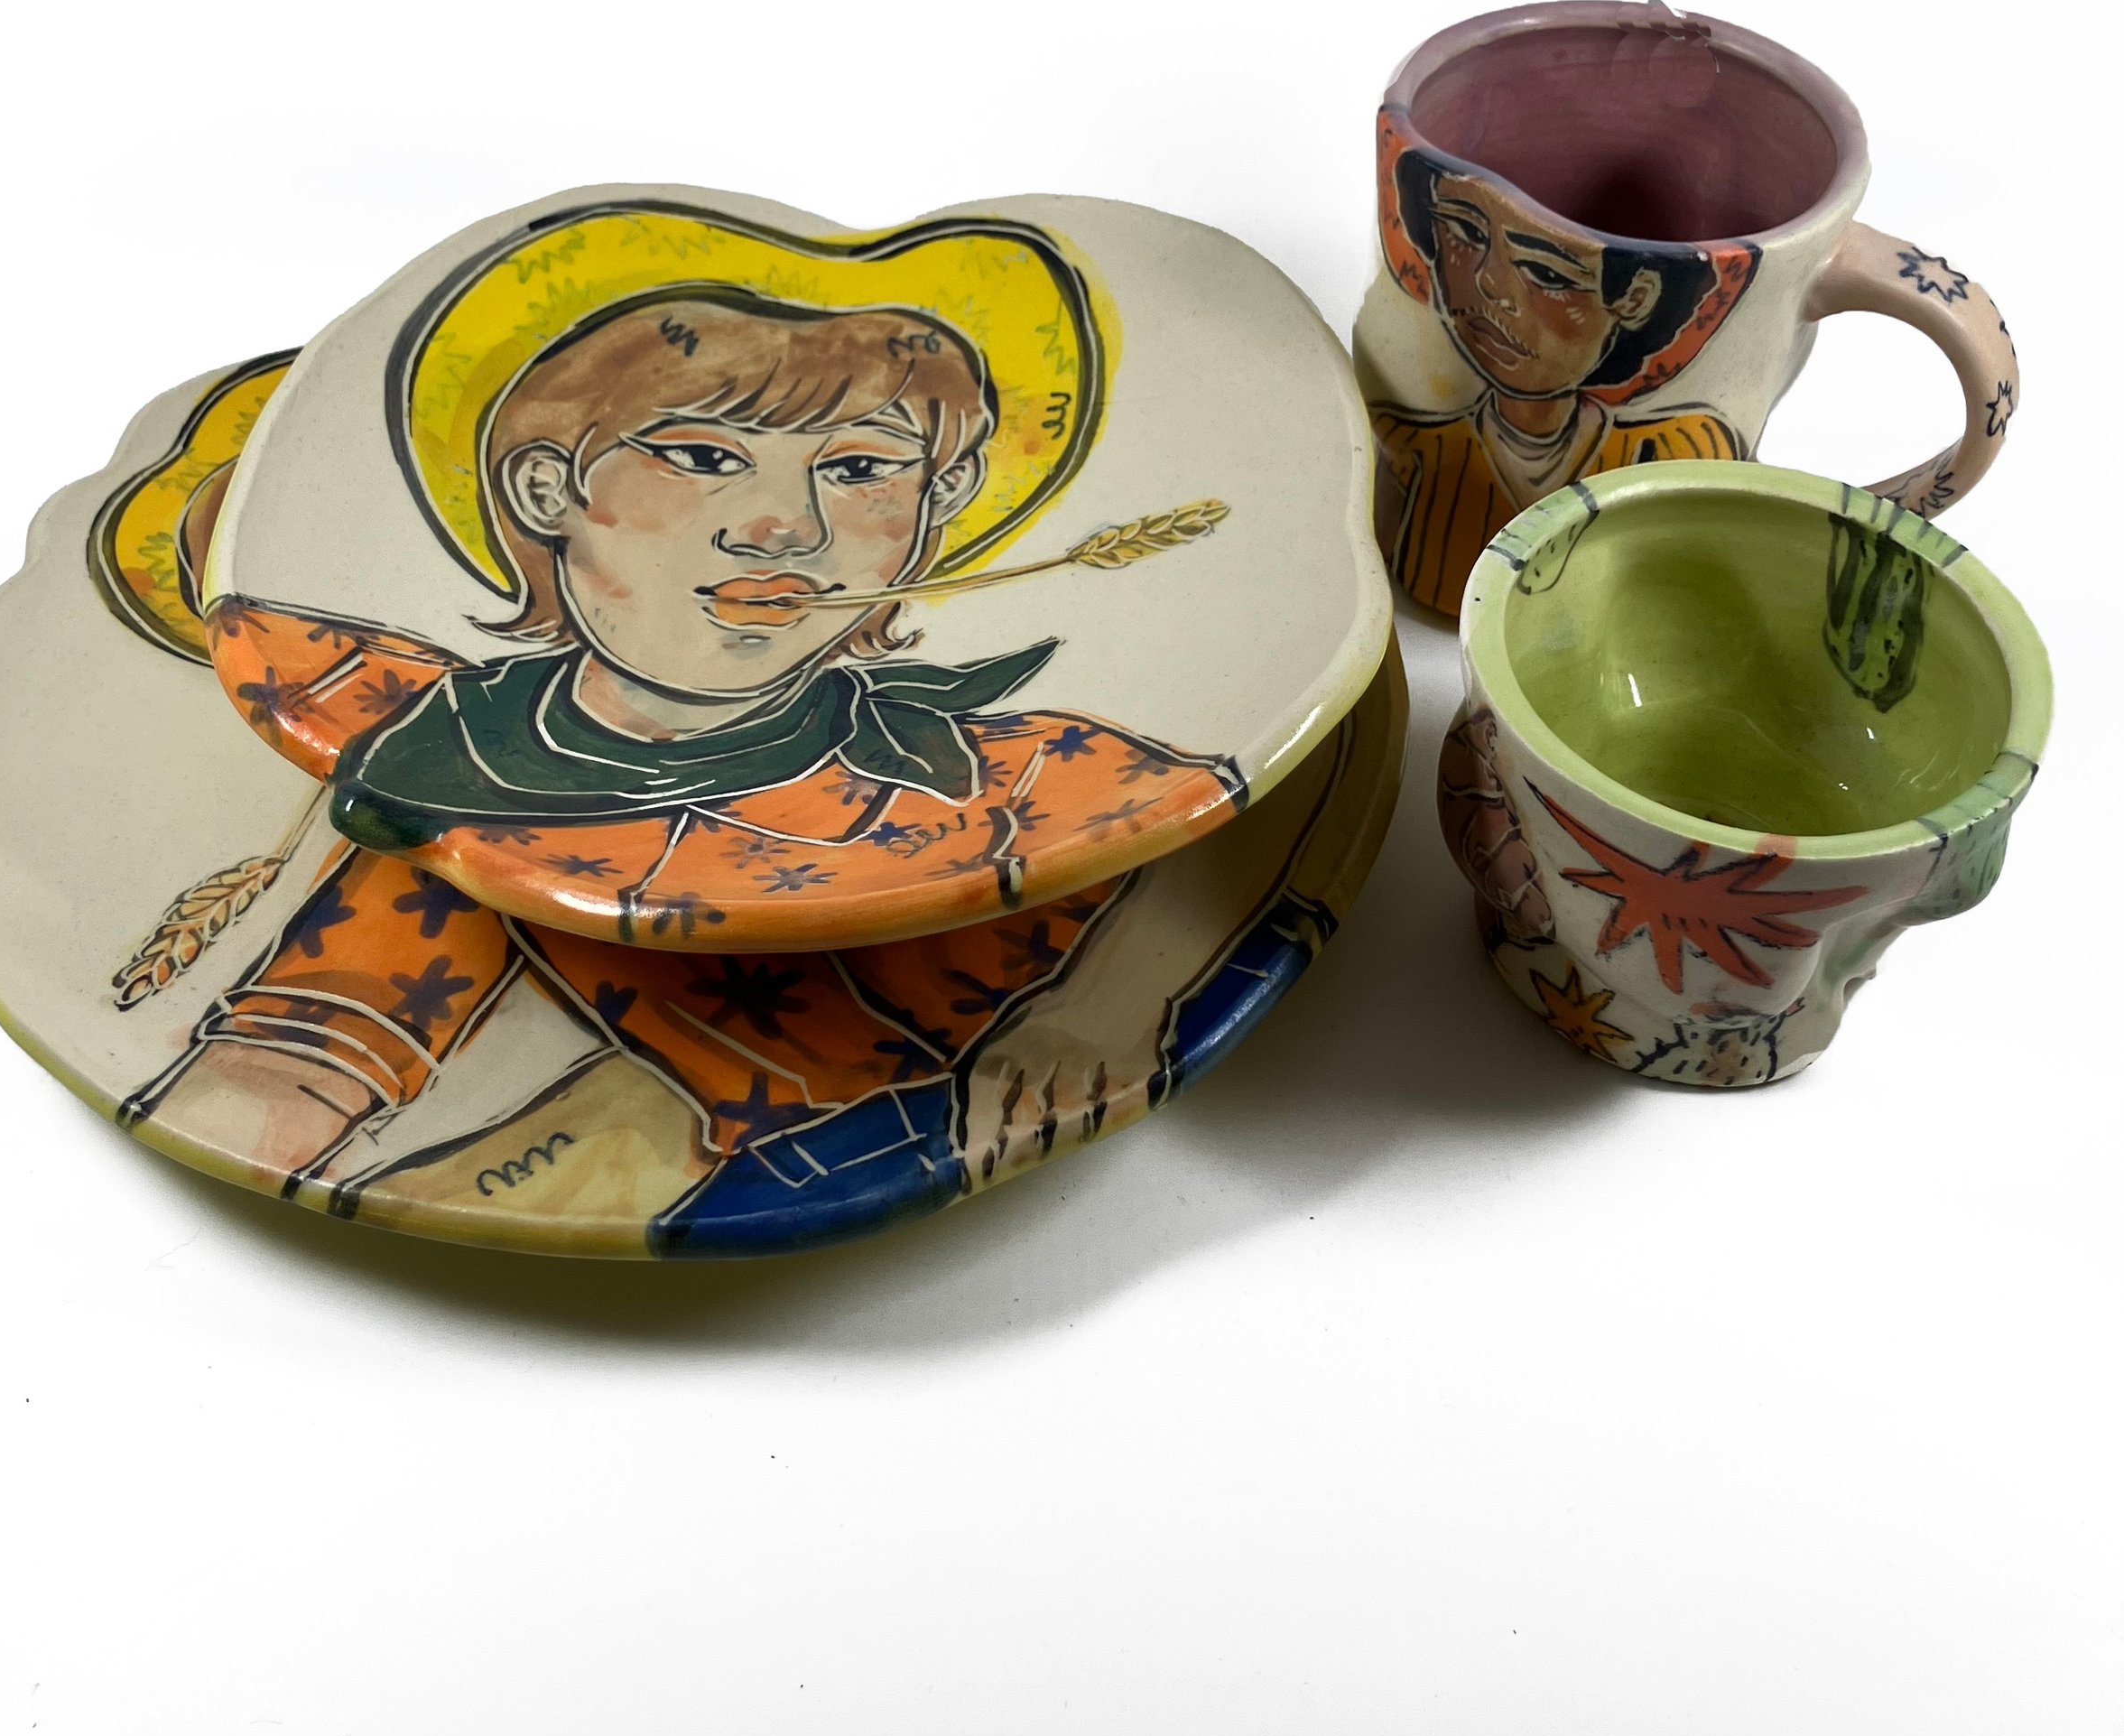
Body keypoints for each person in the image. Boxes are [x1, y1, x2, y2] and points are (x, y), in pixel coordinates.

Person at [137, 290, 1239, 1239]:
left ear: (933, 512)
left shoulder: (1026, 767)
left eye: (860, 468)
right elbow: (290, 1066)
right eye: (705, 458)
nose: (784, 528)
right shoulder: (448, 769)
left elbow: (1234, 836)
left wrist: (1110, 1002)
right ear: (544, 491)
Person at [1370, 148, 1753, 615]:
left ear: (1637, 300)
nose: (1488, 283)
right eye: (1465, 232)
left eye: (1546, 273)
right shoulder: (1413, 449)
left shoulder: (1685, 450)